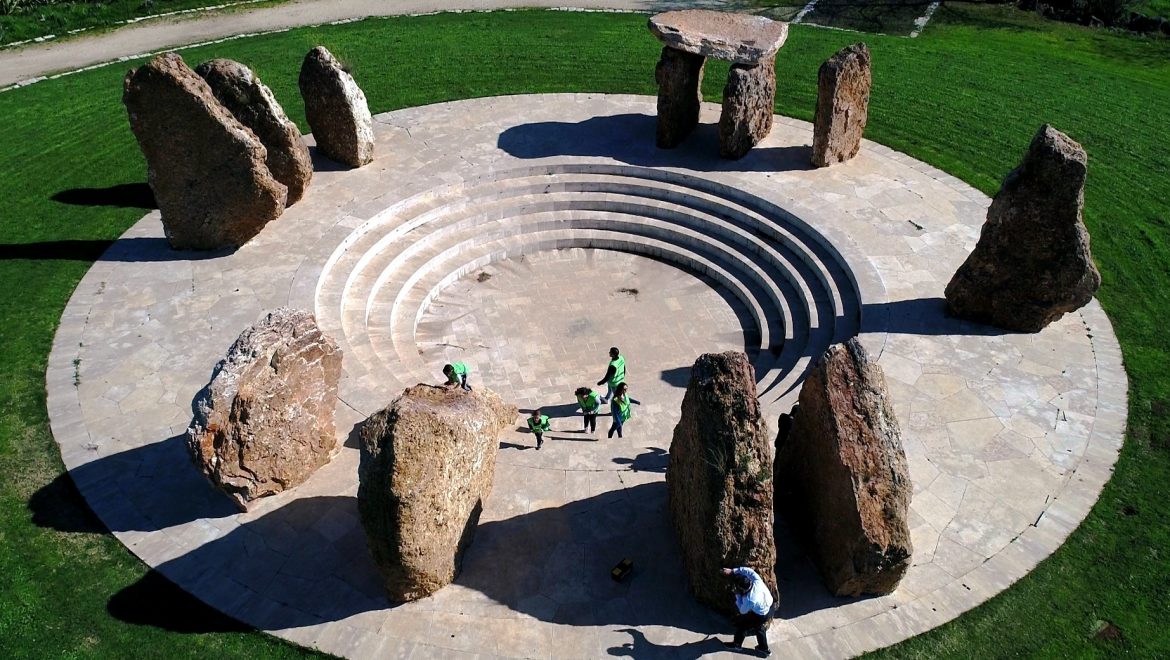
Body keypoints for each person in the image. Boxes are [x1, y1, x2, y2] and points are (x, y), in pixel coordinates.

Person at [720, 566, 774, 656]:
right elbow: (749, 571)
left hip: (761, 615)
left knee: (743, 625)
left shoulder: (749, 599)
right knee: (759, 627)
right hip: (770, 608)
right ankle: (764, 648)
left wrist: (737, 596)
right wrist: (732, 571)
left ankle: (737, 645)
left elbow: (742, 611)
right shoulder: (757, 580)